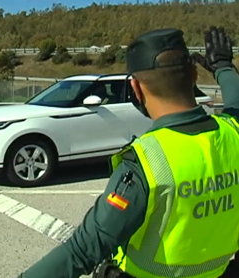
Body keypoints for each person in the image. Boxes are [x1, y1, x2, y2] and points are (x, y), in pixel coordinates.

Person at [17, 26, 239, 278]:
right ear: (194, 75)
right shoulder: (233, 133)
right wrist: (223, 67)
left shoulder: (147, 162)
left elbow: (83, 250)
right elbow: (235, 104)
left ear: (135, 87)